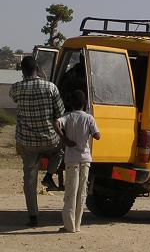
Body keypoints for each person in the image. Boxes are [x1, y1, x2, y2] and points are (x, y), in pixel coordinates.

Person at [9, 56, 65, 227]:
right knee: (61, 150)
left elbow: (15, 99)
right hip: (50, 139)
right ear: (38, 69)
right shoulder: (51, 87)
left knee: (29, 179)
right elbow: (60, 112)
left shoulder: (16, 88)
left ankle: (33, 216)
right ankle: (49, 175)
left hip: (27, 142)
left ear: (22, 71)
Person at [54, 90, 101, 233]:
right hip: (85, 159)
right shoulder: (89, 118)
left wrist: (65, 140)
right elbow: (98, 136)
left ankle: (69, 225)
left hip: (71, 160)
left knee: (70, 192)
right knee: (82, 192)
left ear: (70, 103)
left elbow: (56, 123)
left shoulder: (67, 117)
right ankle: (77, 225)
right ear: (85, 103)